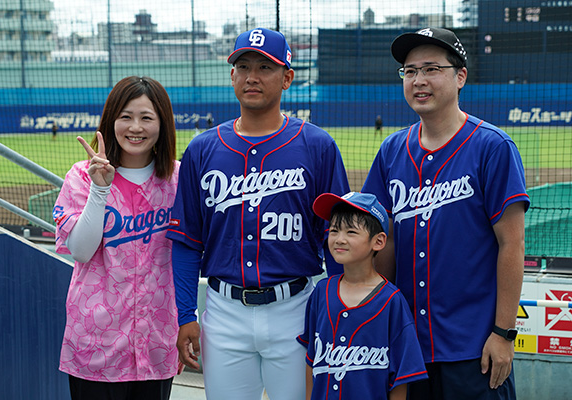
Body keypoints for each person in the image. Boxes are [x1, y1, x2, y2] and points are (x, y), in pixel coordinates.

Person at [166, 27, 350, 400]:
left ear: (287, 78)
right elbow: (186, 242)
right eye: (243, 66)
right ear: (231, 75)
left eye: (265, 67)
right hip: (223, 311)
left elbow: (338, 239)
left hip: (296, 307)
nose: (252, 76)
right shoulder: (202, 150)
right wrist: (187, 314)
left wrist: (338, 311)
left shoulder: (318, 146)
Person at [362, 28, 530, 399]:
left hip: (475, 349)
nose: (419, 80)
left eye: (432, 69)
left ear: (460, 76)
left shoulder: (492, 147)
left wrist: (504, 334)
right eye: (409, 71)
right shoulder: (391, 152)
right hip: (407, 347)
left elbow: (512, 245)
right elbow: (380, 240)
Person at [53, 76, 181, 400]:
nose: (135, 127)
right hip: (97, 346)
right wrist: (100, 189)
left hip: (156, 343)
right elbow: (80, 251)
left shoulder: (178, 180)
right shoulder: (81, 176)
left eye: (146, 117)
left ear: (162, 125)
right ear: (111, 121)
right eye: (126, 116)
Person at [297, 192, 428, 400]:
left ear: (378, 241)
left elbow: (401, 378)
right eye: (334, 230)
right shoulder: (321, 293)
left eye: (351, 232)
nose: (340, 239)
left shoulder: (391, 301)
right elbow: (311, 360)